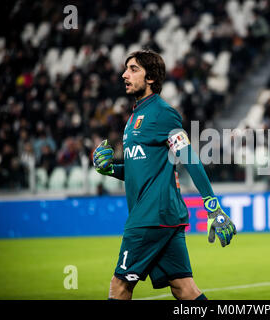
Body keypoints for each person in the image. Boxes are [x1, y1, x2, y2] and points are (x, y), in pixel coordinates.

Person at [92, 50, 236, 300]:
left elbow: (189, 157)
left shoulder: (162, 113)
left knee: (120, 285)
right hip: (164, 217)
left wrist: (212, 206)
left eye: (133, 69)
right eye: (126, 69)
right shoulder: (134, 117)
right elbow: (140, 170)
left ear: (151, 78)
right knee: (184, 287)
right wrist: (110, 169)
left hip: (150, 217)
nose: (125, 74)